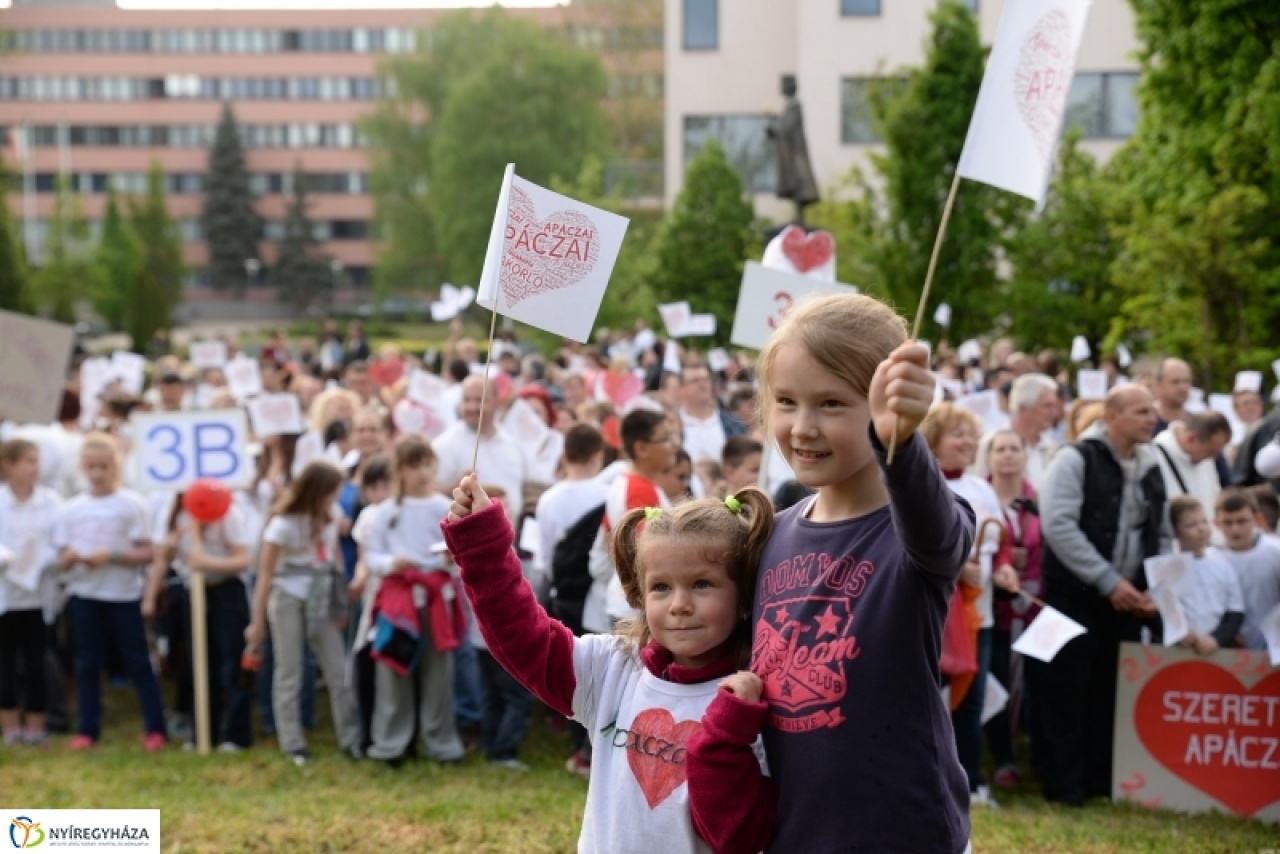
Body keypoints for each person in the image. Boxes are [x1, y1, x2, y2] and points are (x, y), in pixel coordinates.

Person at [443, 476, 776, 854]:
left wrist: (728, 734)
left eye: (701, 584)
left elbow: (740, 837)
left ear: (744, 596)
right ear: (639, 593)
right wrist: (483, 547)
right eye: (661, 587)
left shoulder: (755, 699)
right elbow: (521, 637)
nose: (679, 605)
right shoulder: (613, 668)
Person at [751, 293, 974, 852]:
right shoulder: (771, 535)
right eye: (786, 401)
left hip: (903, 834)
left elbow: (939, 536)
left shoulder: (921, 529)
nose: (803, 427)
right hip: (794, 834)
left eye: (831, 403)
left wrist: (901, 441)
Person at [1036, 385, 1167, 806]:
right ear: (1112, 416)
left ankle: (1099, 782)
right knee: (1066, 691)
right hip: (1073, 597)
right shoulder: (1074, 458)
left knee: (1109, 692)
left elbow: (1160, 531)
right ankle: (1064, 787)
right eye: (1141, 411)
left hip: (1127, 601)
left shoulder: (1152, 463)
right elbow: (1058, 526)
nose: (1152, 419)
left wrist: (1153, 587)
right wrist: (1109, 581)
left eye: (1152, 411)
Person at [920, 403, 1018, 809]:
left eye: (971, 435)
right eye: (958, 434)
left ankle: (970, 781)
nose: (968, 442)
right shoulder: (923, 486)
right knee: (933, 698)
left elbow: (1002, 540)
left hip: (983, 613)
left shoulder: (981, 487)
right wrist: (959, 571)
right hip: (939, 616)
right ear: (934, 440)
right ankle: (931, 780)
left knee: (972, 700)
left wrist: (1005, 567)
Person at [357, 436, 465, 766]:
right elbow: (372, 556)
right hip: (399, 601)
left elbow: (459, 556)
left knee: (438, 675)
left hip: (436, 599)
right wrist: (392, 563)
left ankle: (441, 744)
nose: (422, 472)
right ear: (400, 470)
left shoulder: (444, 508)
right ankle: (391, 744)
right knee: (393, 670)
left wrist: (450, 561)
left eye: (427, 464)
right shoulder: (386, 511)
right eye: (414, 465)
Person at [245, 461, 362, 766]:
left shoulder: (332, 514)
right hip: (287, 596)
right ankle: (292, 742)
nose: (336, 498)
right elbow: (265, 575)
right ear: (317, 491)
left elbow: (334, 555)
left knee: (338, 670)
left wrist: (339, 598)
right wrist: (257, 622)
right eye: (332, 492)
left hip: (321, 594)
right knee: (290, 670)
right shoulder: (282, 525)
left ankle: (350, 739)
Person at [56, 434, 167, 750]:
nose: (97, 474)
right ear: (82, 468)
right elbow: (60, 557)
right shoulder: (71, 509)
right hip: (84, 594)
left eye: (104, 467)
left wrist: (113, 556)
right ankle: (88, 730)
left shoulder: (132, 504)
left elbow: (148, 552)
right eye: (91, 467)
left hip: (123, 595)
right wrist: (71, 559)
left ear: (115, 467)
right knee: (87, 663)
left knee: (138, 662)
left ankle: (155, 727)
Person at [144, 489, 254, 751]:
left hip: (227, 591)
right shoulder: (174, 514)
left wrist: (207, 562)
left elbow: (243, 559)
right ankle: (203, 732)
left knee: (232, 663)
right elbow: (162, 559)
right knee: (200, 664)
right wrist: (151, 593)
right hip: (193, 592)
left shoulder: (227, 512)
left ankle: (236, 735)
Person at [532, 422, 608, 777]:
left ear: (564, 455)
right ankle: (595, 748)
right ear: (598, 455)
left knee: (574, 668)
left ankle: (577, 745)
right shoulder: (606, 493)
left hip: (563, 592)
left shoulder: (549, 499)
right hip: (595, 592)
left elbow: (545, 557)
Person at [985, 428, 1045, 787]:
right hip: (993, 604)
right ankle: (1002, 758)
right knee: (995, 677)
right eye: (1000, 449)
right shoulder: (979, 495)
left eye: (1014, 448)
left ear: (1025, 456)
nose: (1007, 454)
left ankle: (1033, 755)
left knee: (1033, 681)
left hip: (1034, 606)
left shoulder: (1039, 499)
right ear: (989, 458)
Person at [585, 410, 675, 633]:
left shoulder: (626, 482)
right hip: (635, 608)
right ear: (642, 448)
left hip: (626, 602)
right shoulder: (639, 490)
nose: (673, 445)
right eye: (665, 439)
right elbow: (653, 552)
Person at [0, 440, 61, 747]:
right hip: (5, 597)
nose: (35, 468)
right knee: (5, 663)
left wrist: (37, 561)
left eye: (37, 461)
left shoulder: (51, 501)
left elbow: (60, 543)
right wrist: (10, 559)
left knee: (37, 663)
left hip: (39, 596)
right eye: (28, 461)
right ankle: (10, 727)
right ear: (9, 465)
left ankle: (36, 727)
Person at [1166, 496, 1244, 654]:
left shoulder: (1224, 564)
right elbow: (1158, 609)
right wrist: (1176, 631)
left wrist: (1216, 638)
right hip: (1173, 651)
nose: (1201, 529)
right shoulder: (1166, 566)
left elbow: (1235, 611)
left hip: (1214, 651)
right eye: (1191, 525)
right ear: (1174, 531)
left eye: (1204, 521)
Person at [1213, 488, 1280, 651]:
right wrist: (1226, 634)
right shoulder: (1211, 558)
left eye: (1242, 521)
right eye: (1228, 522)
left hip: (1272, 647)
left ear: (1258, 519)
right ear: (1216, 523)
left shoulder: (1275, 552)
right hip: (1227, 649)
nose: (1235, 529)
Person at [971, 373, 1059, 490]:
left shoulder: (1051, 448)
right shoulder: (991, 444)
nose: (1054, 412)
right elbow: (976, 489)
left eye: (1054, 406)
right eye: (1047, 406)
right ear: (1023, 408)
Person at [1152, 411, 1232, 523]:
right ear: (1190, 438)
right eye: (1210, 451)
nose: (1213, 458)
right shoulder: (1154, 458)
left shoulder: (1204, 458)